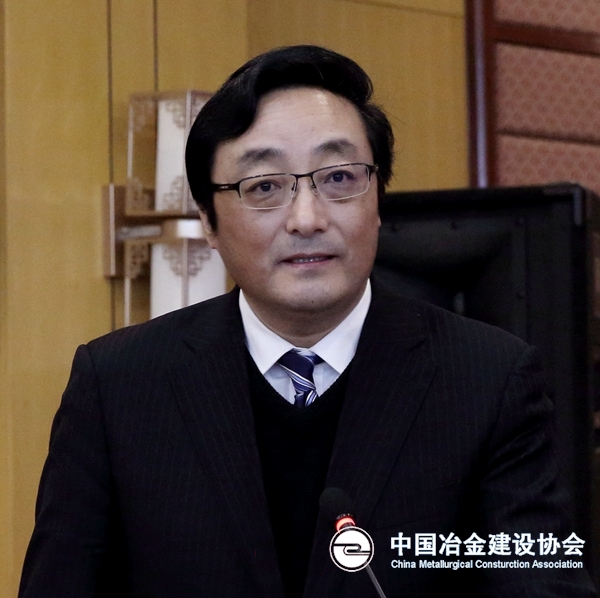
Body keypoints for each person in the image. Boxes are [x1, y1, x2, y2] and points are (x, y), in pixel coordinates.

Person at [18, 45, 596, 597]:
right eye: (264, 186)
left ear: (377, 197)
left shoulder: (489, 380)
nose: (307, 218)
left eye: (339, 178)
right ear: (209, 222)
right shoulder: (118, 385)